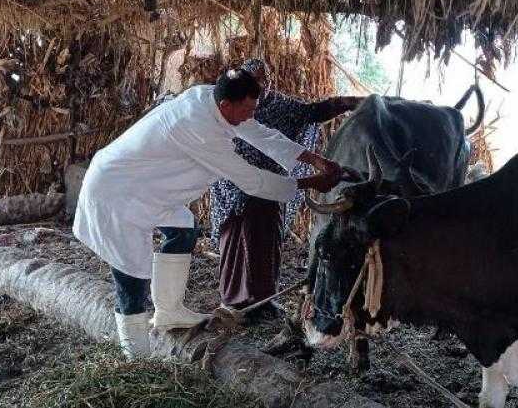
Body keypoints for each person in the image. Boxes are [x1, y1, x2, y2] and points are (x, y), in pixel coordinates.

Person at [73, 69, 342, 359]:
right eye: (248, 108)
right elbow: (251, 180)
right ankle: (135, 358)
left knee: (183, 230)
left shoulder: (211, 98)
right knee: (131, 278)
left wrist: (315, 159)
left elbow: (260, 134)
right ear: (227, 106)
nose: (252, 115)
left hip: (143, 188)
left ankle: (169, 311)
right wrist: (310, 182)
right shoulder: (198, 126)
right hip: (116, 194)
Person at [209, 59, 362, 318]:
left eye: (262, 79)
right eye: (253, 79)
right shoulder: (225, 108)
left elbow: (308, 115)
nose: (259, 85)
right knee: (236, 240)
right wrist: (311, 178)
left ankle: (264, 299)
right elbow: (253, 152)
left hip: (272, 186)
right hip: (233, 184)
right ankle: (234, 300)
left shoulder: (280, 105)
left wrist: (348, 103)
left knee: (266, 241)